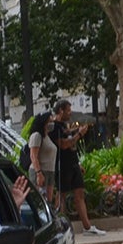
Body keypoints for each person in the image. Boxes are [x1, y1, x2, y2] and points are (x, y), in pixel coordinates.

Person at [49, 100, 105, 236]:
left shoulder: (64, 126)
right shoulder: (54, 128)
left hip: (73, 164)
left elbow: (71, 146)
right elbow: (64, 145)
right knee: (61, 196)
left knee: (79, 193)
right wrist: (79, 134)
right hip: (62, 166)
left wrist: (78, 163)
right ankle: (60, 227)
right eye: (68, 110)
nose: (70, 113)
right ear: (61, 111)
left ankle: (87, 227)